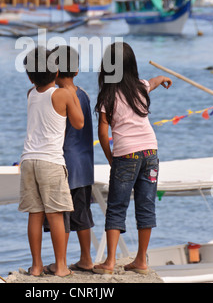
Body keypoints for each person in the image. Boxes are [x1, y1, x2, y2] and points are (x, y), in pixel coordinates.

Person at [93, 42, 172, 275]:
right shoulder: (140, 87)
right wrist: (163, 77)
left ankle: (109, 262)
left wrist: (110, 157)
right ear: (132, 66)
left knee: (117, 207)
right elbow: (154, 81)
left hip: (125, 154)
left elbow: (102, 133)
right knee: (146, 205)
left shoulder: (108, 95)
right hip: (151, 153)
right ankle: (141, 261)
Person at [18, 46, 84, 277]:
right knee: (56, 214)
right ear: (56, 71)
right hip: (51, 162)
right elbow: (79, 122)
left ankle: (36, 266)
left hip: (28, 160)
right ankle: (62, 267)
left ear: (29, 76)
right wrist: (70, 90)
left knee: (35, 214)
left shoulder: (30, 93)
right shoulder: (62, 94)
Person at [43, 45, 94, 274]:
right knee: (82, 215)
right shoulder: (83, 94)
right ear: (77, 70)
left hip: (65, 164)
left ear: (53, 70)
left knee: (61, 214)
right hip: (84, 165)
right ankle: (86, 259)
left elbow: (57, 132)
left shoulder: (56, 96)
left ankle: (60, 263)